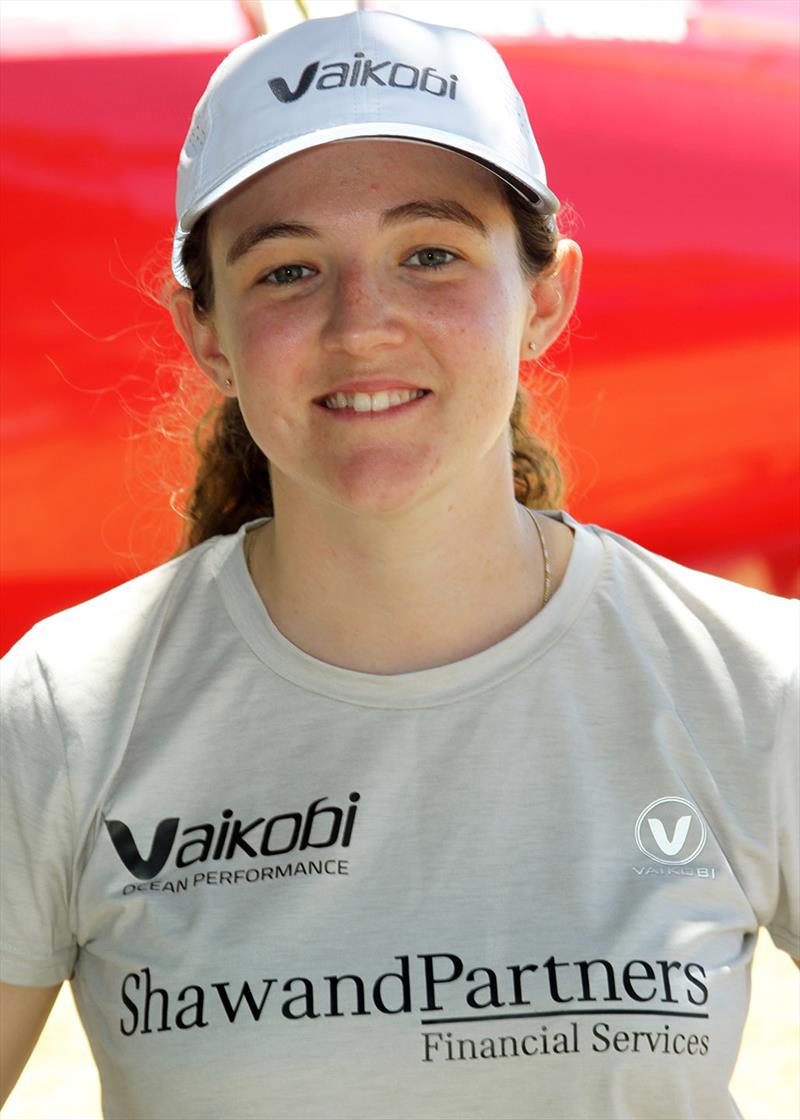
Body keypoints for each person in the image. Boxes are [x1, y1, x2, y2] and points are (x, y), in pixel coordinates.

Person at [1, 10, 797, 1120]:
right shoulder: (65, 711)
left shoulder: (755, 683)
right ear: (207, 334)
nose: (362, 323)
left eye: (430, 254)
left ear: (546, 295)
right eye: (286, 270)